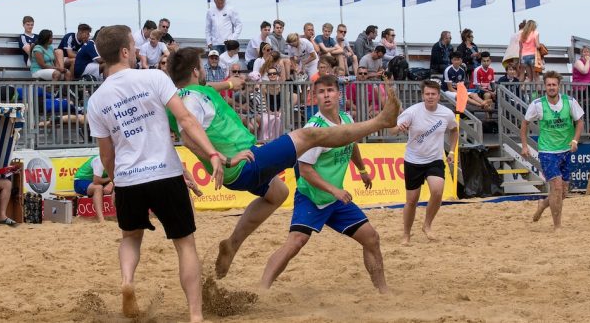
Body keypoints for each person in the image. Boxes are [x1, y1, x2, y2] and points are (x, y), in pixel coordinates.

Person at [166, 48, 400, 280]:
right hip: (241, 164)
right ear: (197, 70)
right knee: (309, 136)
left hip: (246, 161)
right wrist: (221, 158)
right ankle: (380, 121)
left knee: (278, 192)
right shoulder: (190, 99)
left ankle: (232, 244)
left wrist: (229, 85)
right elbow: (187, 136)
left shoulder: (190, 94)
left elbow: (206, 90)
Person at [85, 25, 224, 321]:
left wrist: (117, 179)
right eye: (133, 46)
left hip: (128, 178)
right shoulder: (154, 77)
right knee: (185, 244)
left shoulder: (96, 100)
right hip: (164, 172)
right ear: (124, 52)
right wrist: (211, 152)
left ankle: (127, 281)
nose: (136, 50)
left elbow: (106, 154)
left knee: (130, 238)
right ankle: (196, 316)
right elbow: (185, 118)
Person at [260, 74, 388, 293]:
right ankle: (260, 290)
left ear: (338, 94)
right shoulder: (314, 129)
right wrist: (334, 190)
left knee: (372, 239)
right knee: (295, 243)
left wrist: (362, 169)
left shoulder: (346, 119)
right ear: (314, 97)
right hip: (312, 196)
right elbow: (305, 171)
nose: (326, 95)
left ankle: (384, 292)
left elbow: (351, 143)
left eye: (330, 90)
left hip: (336, 199)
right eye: (321, 92)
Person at [395, 80, 458, 243]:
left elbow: (454, 130)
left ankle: (427, 225)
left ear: (439, 96)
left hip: (434, 159)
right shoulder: (412, 112)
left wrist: (451, 151)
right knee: (411, 200)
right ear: (422, 95)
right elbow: (392, 128)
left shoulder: (446, 113)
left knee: (437, 191)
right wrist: (398, 128)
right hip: (413, 160)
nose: (430, 97)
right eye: (427, 94)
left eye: (433, 94)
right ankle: (406, 234)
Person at [520, 71, 584, 230]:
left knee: (562, 193)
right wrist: (525, 145)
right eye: (548, 85)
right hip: (547, 151)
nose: (551, 87)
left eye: (554, 85)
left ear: (559, 86)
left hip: (566, 150)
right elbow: (525, 124)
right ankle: (558, 226)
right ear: (545, 86)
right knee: (556, 186)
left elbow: (580, 122)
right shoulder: (537, 104)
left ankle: (543, 204)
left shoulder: (570, 102)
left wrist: (575, 140)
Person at [73, 155, 113, 223]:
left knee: (120, 185)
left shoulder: (117, 160)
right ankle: (101, 219)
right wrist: (111, 179)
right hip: (81, 180)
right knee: (98, 188)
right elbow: (96, 181)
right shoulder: (99, 160)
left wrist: (111, 183)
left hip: (99, 181)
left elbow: (119, 177)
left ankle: (120, 216)